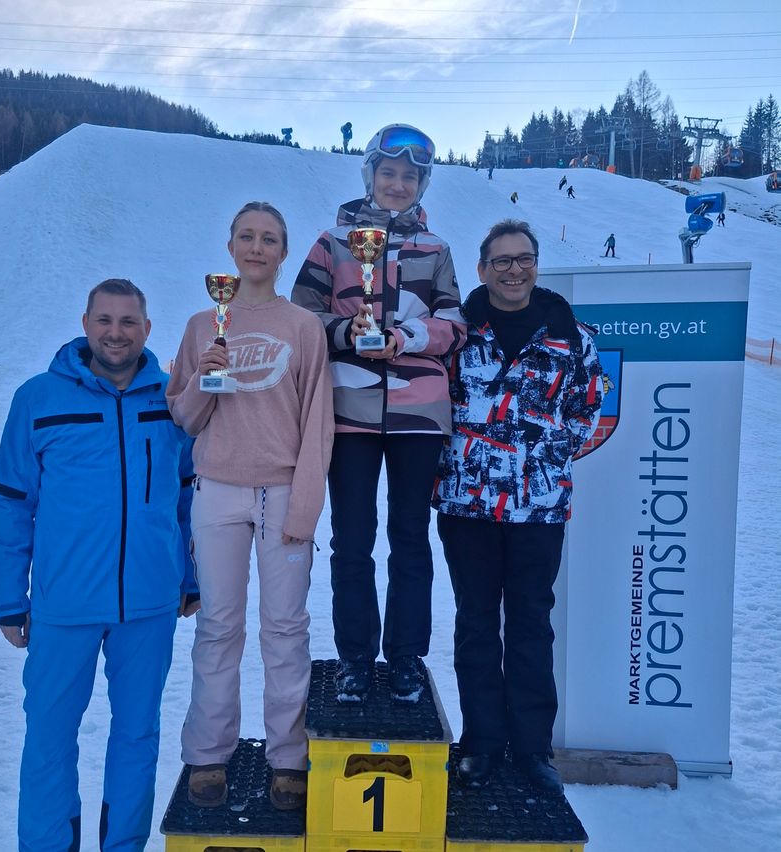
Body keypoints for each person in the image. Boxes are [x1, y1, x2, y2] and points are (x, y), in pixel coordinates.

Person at [0, 278, 197, 851]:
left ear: (147, 329)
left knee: (137, 736)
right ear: (85, 323)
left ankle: (123, 844)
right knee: (50, 738)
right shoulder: (39, 398)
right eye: (105, 320)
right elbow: (10, 504)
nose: (116, 333)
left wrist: (190, 576)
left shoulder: (171, 397)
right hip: (64, 603)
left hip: (150, 602)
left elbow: (188, 494)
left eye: (128, 322)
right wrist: (11, 600)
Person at [167, 201, 334, 811]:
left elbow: (318, 421)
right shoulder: (199, 325)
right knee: (218, 626)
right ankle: (209, 752)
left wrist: (306, 507)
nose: (256, 247)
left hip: (284, 490)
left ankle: (288, 757)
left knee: (286, 630)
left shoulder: (302, 326)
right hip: (217, 491)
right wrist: (201, 379)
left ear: (283, 251)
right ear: (230, 245)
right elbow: (184, 419)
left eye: (268, 239)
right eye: (246, 236)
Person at [292, 123, 466, 704]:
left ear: (422, 184)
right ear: (370, 176)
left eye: (409, 176)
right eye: (388, 173)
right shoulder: (332, 243)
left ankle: (407, 657)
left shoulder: (435, 250)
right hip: (350, 407)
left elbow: (454, 324)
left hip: (418, 410)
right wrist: (347, 331)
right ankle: (356, 658)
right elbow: (302, 319)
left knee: (411, 537)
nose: (397, 184)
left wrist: (405, 336)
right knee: (351, 539)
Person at [433, 219, 602, 796]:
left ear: (536, 265)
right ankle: (481, 741)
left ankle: (532, 748)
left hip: (538, 509)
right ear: (482, 269)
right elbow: (433, 408)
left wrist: (545, 456)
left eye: (523, 258)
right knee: (475, 624)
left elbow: (590, 410)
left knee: (531, 625)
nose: (513, 269)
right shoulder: (456, 334)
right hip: (466, 506)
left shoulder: (572, 337)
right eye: (501, 260)